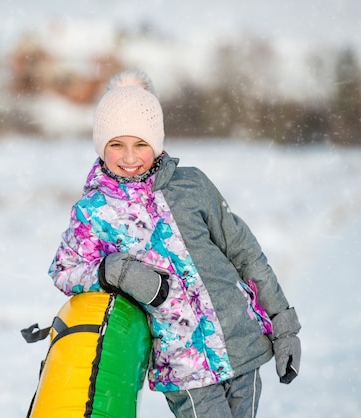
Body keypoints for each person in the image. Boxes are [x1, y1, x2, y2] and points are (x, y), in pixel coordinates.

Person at [48, 69, 301, 418]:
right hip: (184, 367)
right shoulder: (93, 213)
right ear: (100, 145)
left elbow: (245, 254)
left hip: (242, 346)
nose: (130, 157)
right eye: (116, 144)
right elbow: (64, 270)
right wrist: (116, 272)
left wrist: (284, 326)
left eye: (141, 144)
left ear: (157, 143)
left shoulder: (192, 185)